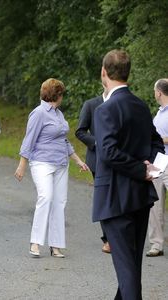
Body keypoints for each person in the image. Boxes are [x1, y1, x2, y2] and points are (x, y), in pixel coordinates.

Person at [92, 49, 163, 299]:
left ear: (104, 72)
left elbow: (108, 152)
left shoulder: (105, 109)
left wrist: (142, 169)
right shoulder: (141, 105)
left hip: (115, 199)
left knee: (127, 270)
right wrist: (152, 165)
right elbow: (157, 143)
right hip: (140, 197)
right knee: (132, 266)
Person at [15, 78, 88, 259]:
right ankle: (35, 242)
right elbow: (29, 139)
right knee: (45, 198)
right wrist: (22, 165)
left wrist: (77, 160)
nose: (63, 97)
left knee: (59, 203)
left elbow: (63, 140)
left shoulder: (58, 114)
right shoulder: (39, 113)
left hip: (61, 163)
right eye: (62, 93)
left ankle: (56, 245)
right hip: (42, 162)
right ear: (57, 94)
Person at [75, 88, 111, 254]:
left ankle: (120, 236)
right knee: (103, 199)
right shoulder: (90, 105)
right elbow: (80, 131)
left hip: (121, 160)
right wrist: (96, 142)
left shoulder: (121, 103)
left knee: (118, 197)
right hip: (97, 161)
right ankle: (108, 239)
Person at [146, 78, 168, 257]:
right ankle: (156, 244)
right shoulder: (159, 113)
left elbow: (160, 138)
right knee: (155, 204)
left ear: (159, 92)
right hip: (158, 162)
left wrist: (159, 139)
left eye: (155, 91)